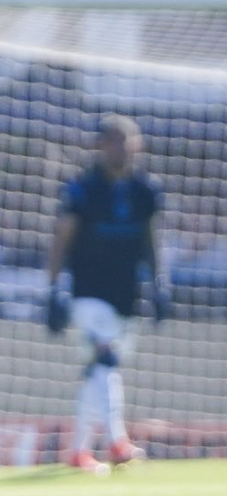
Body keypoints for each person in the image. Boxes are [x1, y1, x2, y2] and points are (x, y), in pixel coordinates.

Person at [46, 114, 168, 472]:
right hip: (87, 294)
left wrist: (159, 283)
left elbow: (151, 238)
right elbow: (61, 238)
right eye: (112, 140)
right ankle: (117, 442)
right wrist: (53, 289)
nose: (120, 147)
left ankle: (79, 450)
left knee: (97, 373)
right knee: (106, 362)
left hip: (126, 295)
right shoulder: (83, 189)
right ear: (100, 146)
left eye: (126, 140)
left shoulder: (146, 190)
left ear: (137, 145)